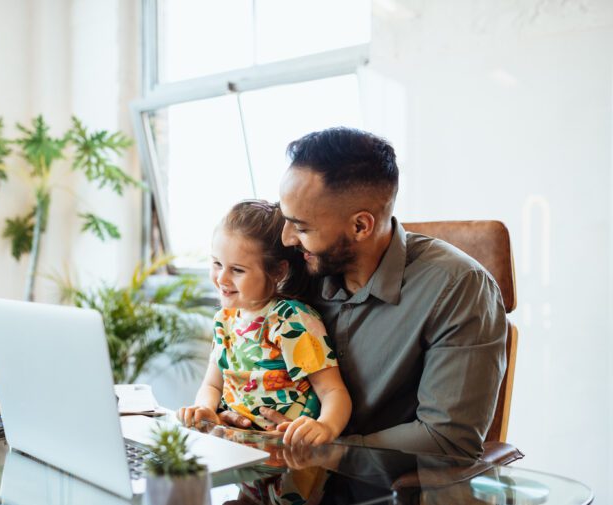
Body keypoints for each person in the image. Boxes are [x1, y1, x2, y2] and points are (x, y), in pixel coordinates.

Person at [219, 127, 507, 459]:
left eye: (301, 226)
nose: (287, 239)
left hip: (387, 501)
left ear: (360, 226)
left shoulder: (458, 286)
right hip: (277, 481)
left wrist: (323, 449)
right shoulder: (298, 267)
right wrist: (236, 417)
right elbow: (243, 344)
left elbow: (446, 440)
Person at [178, 200, 353, 447]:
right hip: (239, 449)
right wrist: (205, 408)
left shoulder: (290, 319)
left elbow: (333, 391)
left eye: (237, 270)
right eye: (217, 263)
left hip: (292, 453)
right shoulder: (224, 320)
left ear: (278, 272)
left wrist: (325, 426)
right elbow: (212, 384)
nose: (221, 278)